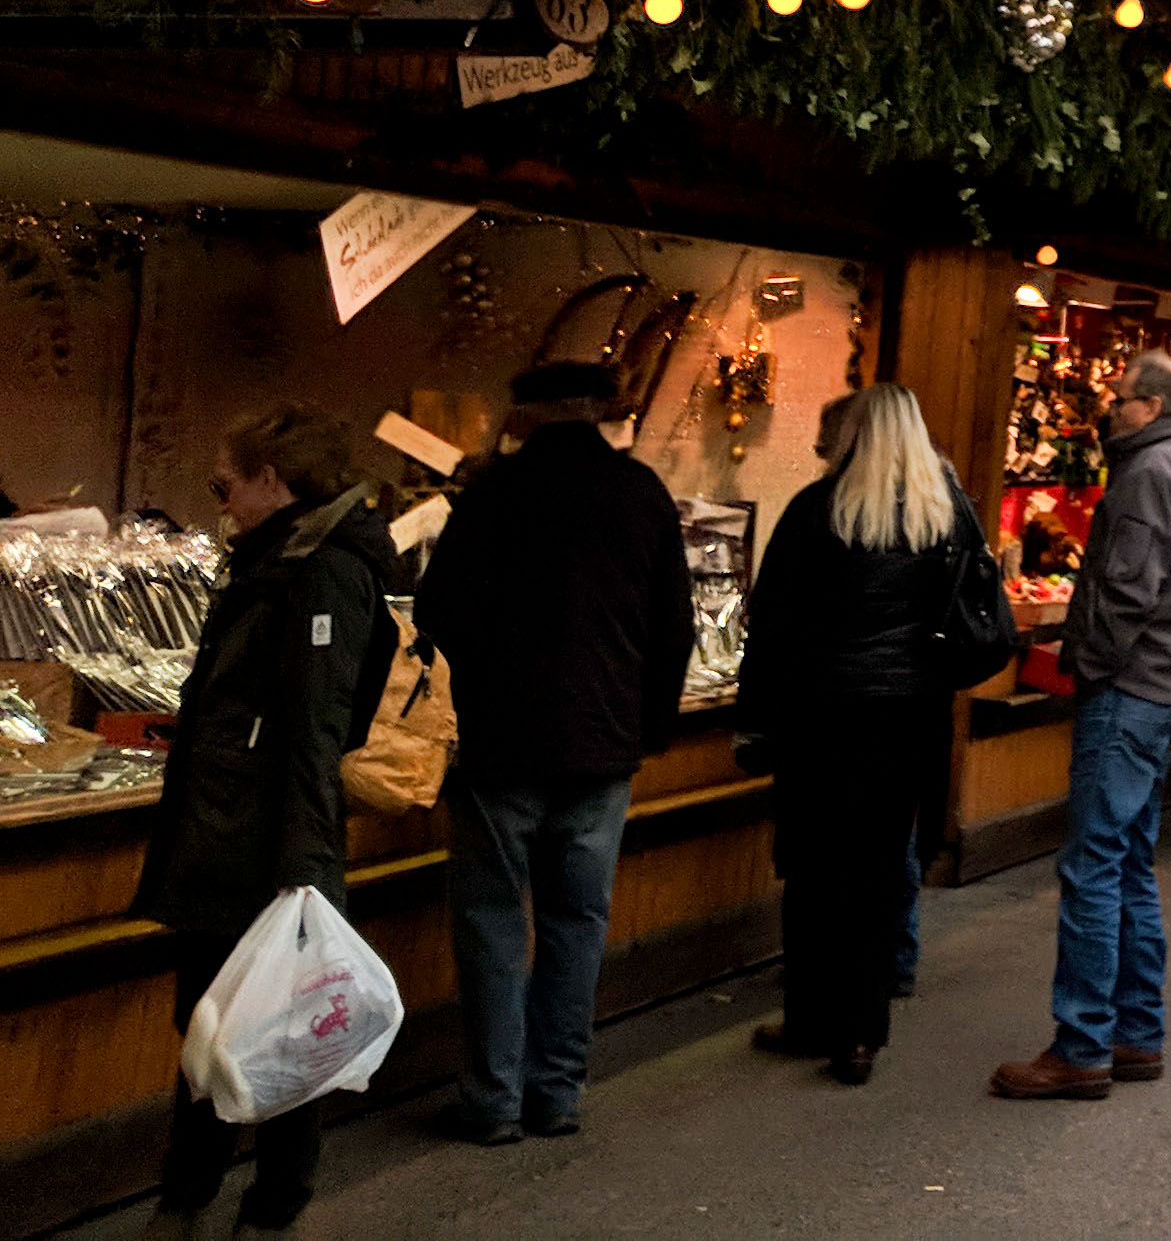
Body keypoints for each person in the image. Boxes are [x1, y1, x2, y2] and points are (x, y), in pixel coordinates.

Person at [413, 356, 691, 1145]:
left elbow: (439, 611)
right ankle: (557, 1093)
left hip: (503, 743)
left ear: (526, 417)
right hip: (603, 745)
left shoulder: (495, 493)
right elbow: (675, 625)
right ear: (594, 413)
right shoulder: (641, 492)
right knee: (578, 921)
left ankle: (493, 1100)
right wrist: (648, 729)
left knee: (495, 922)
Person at [138, 406, 399, 1230]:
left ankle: (262, 1203)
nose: (222, 501)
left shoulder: (318, 572)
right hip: (229, 836)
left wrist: (306, 875)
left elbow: (317, 728)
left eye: (225, 483)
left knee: (281, 1033)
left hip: (262, 851)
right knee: (216, 1032)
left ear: (271, 481)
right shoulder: (273, 560)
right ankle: (202, 1196)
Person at [993, 350, 1171, 1101]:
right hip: (1170, 681)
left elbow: (1126, 589)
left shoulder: (1150, 473)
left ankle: (1083, 1042)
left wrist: (1087, 662)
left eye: (1121, 398)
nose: (1111, 408)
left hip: (1128, 687)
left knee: (1094, 864)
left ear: (1151, 406)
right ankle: (1135, 1031)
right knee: (1129, 863)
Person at [739, 386, 985, 1084]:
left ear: (851, 437)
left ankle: (810, 1017)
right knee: (879, 873)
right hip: (909, 720)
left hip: (823, 718)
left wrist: (755, 720)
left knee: (815, 872)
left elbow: (772, 624)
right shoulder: (945, 513)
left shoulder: (819, 509)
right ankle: (860, 1034)